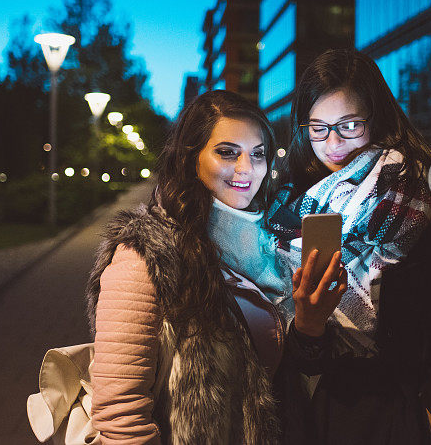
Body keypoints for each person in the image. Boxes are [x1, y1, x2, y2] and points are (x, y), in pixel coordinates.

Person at [268, 49, 431, 444]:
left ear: (376, 116)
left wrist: (425, 416)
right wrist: (308, 326)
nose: (332, 144)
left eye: (349, 125)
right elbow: (306, 362)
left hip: (412, 415)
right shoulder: (302, 205)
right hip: (335, 421)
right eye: (318, 128)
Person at [84, 90, 287, 444]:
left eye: (258, 155)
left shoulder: (272, 246)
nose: (246, 169)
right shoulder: (145, 253)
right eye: (227, 152)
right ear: (190, 157)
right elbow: (120, 416)